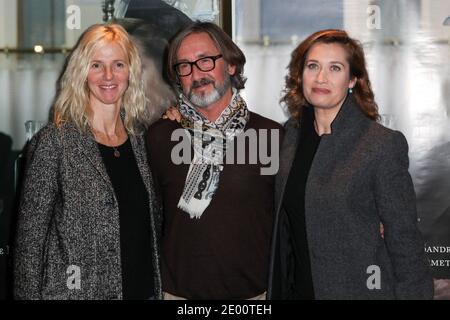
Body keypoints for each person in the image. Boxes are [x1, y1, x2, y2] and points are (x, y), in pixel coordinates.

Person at [267, 29, 434, 300]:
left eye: (335, 68)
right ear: (301, 75)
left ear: (353, 79)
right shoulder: (287, 139)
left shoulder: (380, 145)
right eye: (313, 66)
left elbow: (404, 241)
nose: (321, 77)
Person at [13, 23, 162, 300]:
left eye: (118, 64)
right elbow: (29, 245)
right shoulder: (54, 142)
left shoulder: (142, 142)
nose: (108, 75)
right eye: (96, 65)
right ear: (82, 72)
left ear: (130, 72)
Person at [146, 22, 283, 300]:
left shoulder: (273, 137)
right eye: (184, 66)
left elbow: (295, 216)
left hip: (253, 297)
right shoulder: (159, 137)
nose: (196, 74)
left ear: (231, 65)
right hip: (177, 296)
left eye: (205, 61)